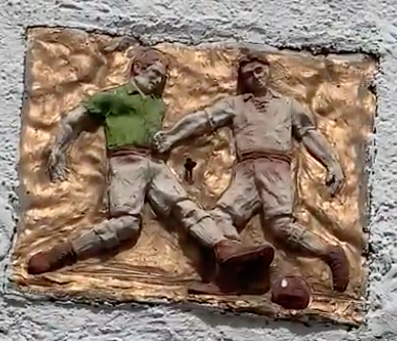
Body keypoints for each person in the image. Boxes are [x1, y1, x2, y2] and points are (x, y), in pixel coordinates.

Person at [27, 48, 273, 278]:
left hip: (154, 163)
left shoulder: (158, 104)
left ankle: (223, 248)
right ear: (137, 69)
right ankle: (65, 251)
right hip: (126, 163)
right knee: (126, 224)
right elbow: (73, 119)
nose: (158, 80)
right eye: (154, 73)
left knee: (184, 207)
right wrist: (58, 148)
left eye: (162, 77)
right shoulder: (114, 97)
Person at [152, 51, 351, 292]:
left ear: (267, 70)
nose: (255, 77)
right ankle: (237, 267)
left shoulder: (287, 105)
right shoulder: (236, 104)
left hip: (275, 168)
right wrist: (172, 137)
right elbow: (203, 119)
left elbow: (309, 133)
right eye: (248, 75)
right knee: (221, 217)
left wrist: (332, 163)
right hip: (246, 170)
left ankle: (330, 253)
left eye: (259, 71)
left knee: (280, 226)